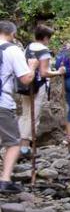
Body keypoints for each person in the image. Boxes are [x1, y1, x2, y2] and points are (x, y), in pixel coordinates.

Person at [0, 21, 37, 193]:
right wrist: (32, 67)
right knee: (13, 142)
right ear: (12, 34)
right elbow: (25, 79)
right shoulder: (12, 50)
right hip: (2, 103)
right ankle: (5, 180)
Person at [19, 25, 66, 157]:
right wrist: (58, 72)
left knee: (25, 114)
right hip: (38, 86)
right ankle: (24, 148)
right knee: (34, 116)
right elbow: (44, 73)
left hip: (25, 84)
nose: (49, 41)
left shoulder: (28, 48)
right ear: (45, 37)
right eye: (49, 38)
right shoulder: (44, 51)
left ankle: (19, 146)